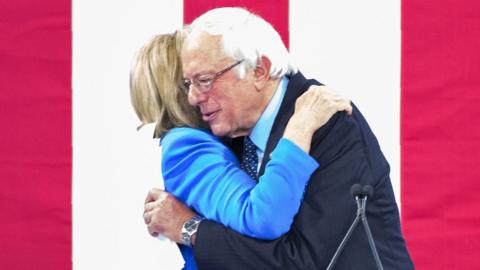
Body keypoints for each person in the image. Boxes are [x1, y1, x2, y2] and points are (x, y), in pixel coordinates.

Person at [144, 7, 415, 270]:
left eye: (204, 80)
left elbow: (303, 261)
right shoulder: (231, 129)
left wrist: (190, 228)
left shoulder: (326, 122)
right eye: (189, 84)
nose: (193, 98)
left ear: (259, 71)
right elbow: (249, 239)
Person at [131, 33, 352, 269]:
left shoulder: (220, 134)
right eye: (201, 78)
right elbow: (262, 217)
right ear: (181, 87)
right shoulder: (186, 145)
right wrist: (299, 128)